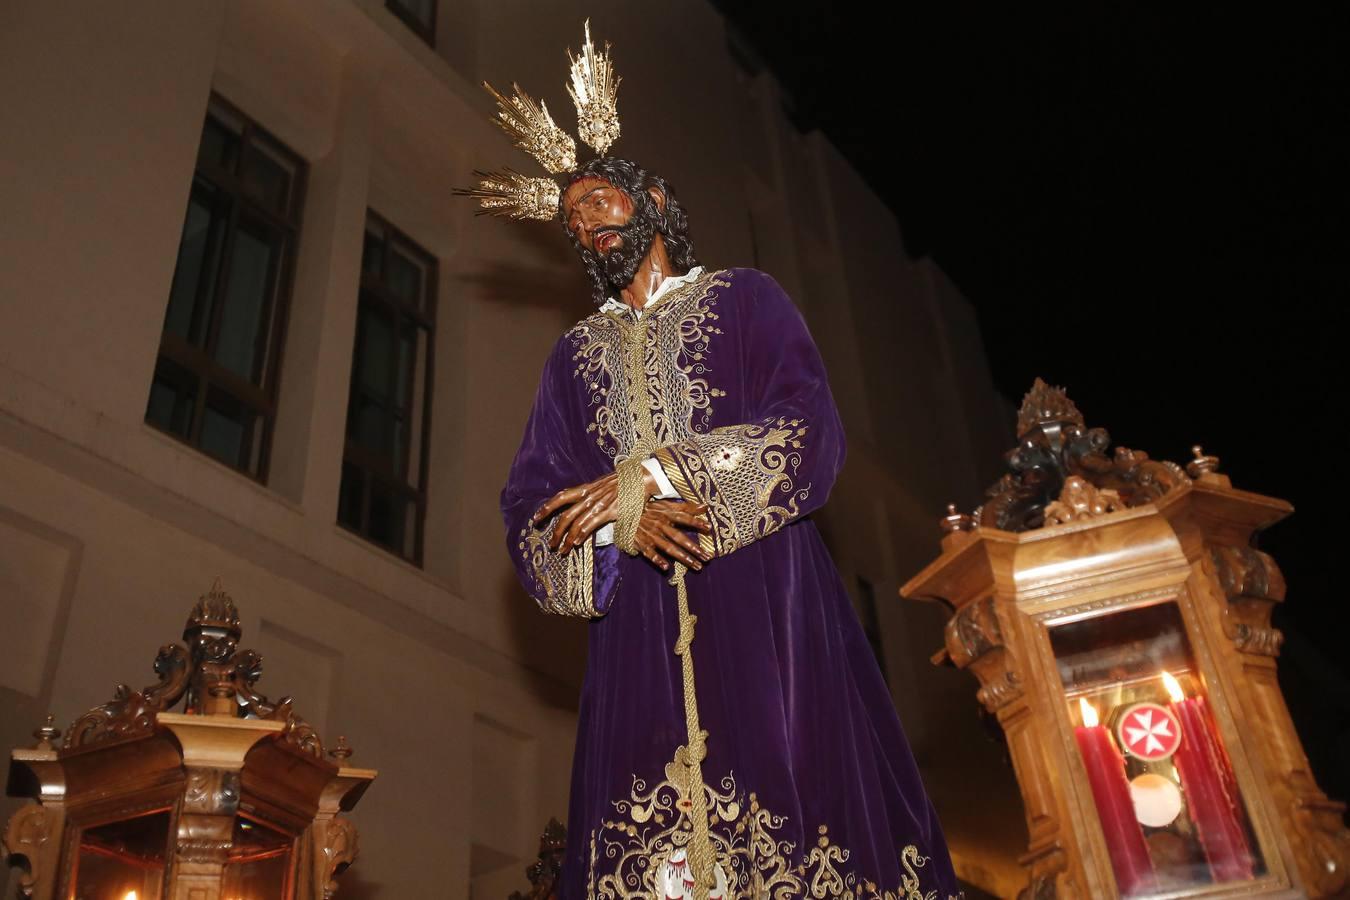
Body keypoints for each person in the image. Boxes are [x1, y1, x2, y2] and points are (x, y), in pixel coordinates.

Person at [467, 26, 960, 900]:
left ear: (652, 198)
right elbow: (531, 507)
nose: (585, 223)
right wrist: (617, 522)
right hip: (639, 637)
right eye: (574, 217)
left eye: (599, 202)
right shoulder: (573, 359)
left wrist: (651, 477)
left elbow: (810, 430)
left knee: (798, 829)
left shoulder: (746, 299)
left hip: (766, 605)